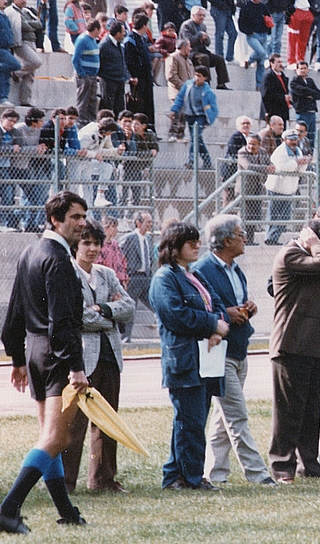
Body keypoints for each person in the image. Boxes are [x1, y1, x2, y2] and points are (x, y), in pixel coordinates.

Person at [0, 191, 90, 534]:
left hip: (36, 352)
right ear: (55, 220)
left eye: (83, 216)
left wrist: (18, 358)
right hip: (56, 354)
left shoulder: (31, 251)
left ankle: (67, 512)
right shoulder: (59, 259)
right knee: (57, 439)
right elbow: (62, 321)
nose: (82, 223)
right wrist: (76, 366)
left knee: (51, 437)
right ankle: (8, 509)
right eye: (75, 217)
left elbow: (14, 313)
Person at [192, 215, 275, 487]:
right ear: (226, 240)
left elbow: (233, 304)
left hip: (240, 348)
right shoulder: (203, 270)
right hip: (220, 352)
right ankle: (258, 474)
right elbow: (202, 309)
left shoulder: (235, 269)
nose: (245, 238)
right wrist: (225, 314)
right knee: (237, 415)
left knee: (222, 419)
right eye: (240, 234)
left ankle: (214, 474)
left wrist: (246, 308)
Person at [149, 221, 229, 491]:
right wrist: (212, 324)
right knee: (189, 422)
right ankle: (191, 477)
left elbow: (217, 304)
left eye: (198, 241)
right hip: (184, 360)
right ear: (174, 247)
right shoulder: (164, 278)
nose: (197, 246)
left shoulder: (193, 274)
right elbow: (176, 315)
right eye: (190, 242)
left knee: (192, 421)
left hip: (204, 359)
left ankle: (176, 476)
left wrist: (218, 326)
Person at [62, 219, 134, 493]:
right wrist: (110, 315)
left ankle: (103, 479)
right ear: (75, 245)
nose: (92, 249)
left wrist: (103, 308)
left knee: (108, 421)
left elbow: (128, 307)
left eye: (96, 244)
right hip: (82, 359)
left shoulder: (106, 273)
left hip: (109, 357)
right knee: (75, 424)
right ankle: (66, 481)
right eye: (86, 243)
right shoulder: (67, 273)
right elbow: (77, 316)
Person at [269, 219, 320, 483]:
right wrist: (315, 245)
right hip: (291, 345)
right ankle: (282, 466)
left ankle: (309, 464)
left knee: (310, 411)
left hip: (312, 346)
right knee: (288, 411)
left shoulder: (308, 255)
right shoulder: (291, 254)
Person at [171, 66, 219, 170]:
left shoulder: (208, 92)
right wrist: (174, 110)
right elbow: (180, 98)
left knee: (195, 137)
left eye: (200, 76)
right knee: (197, 139)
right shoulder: (188, 85)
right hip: (189, 116)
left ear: (205, 78)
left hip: (200, 117)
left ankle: (191, 161)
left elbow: (214, 109)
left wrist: (209, 120)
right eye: (196, 75)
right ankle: (207, 161)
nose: (197, 78)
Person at [120, 211, 155, 342]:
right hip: (133, 278)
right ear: (138, 223)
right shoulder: (129, 238)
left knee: (155, 304)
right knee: (130, 308)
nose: (150, 225)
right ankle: (125, 338)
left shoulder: (149, 239)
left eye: (151, 222)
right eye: (147, 222)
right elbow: (121, 256)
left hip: (146, 278)